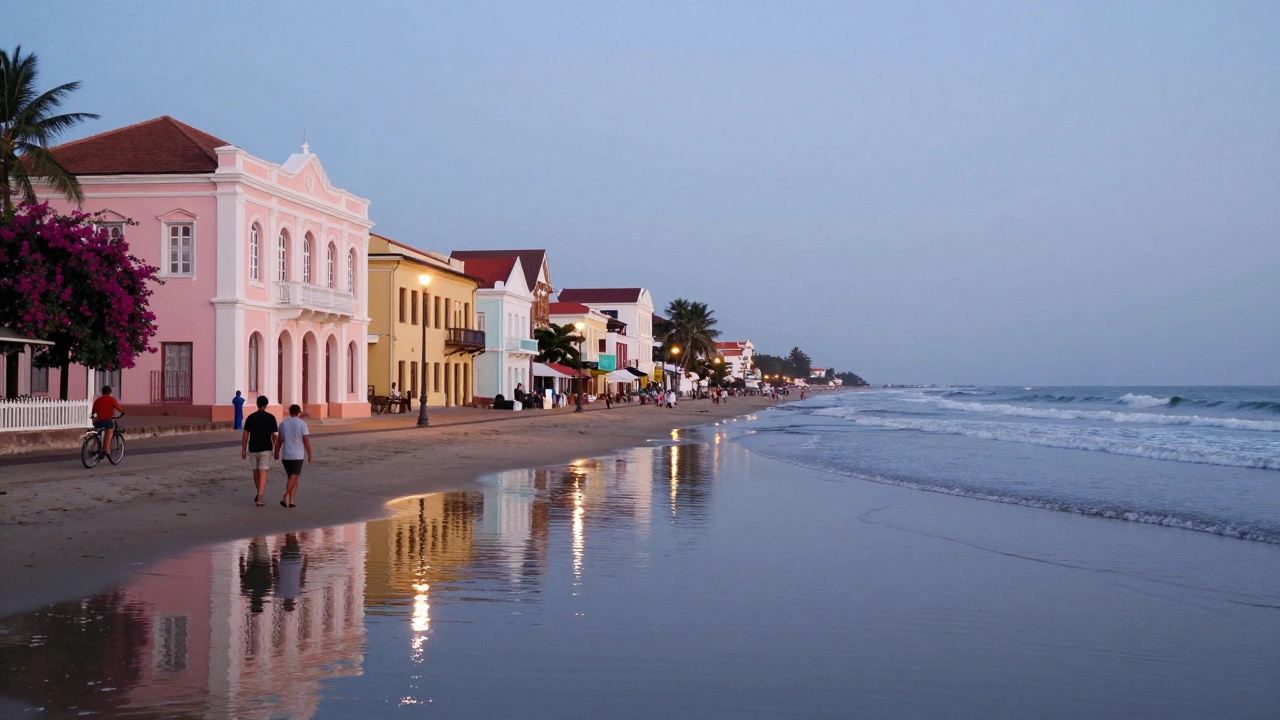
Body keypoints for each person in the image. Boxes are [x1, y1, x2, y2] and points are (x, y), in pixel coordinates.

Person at [241, 395, 278, 507]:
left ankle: (259, 492)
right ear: (266, 405)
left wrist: (243, 449)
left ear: (257, 404)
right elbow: (274, 435)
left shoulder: (251, 417)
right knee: (263, 473)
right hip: (266, 448)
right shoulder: (271, 417)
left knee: (255, 473)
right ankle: (260, 497)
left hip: (253, 448)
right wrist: (276, 449)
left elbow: (246, 433)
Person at [275, 404, 312, 508]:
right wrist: (309, 454)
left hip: (286, 455)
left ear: (290, 412)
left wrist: (277, 451)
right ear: (298, 412)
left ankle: (292, 501)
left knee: (293, 477)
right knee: (294, 476)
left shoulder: (283, 424)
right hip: (297, 455)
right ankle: (285, 495)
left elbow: (280, 440)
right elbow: (306, 440)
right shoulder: (302, 424)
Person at [90, 385, 125, 458]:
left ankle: (93, 449)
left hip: (97, 421)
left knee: (98, 432)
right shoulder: (111, 399)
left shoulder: (97, 400)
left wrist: (95, 416)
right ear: (110, 392)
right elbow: (119, 408)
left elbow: (93, 412)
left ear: (102, 392)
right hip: (107, 421)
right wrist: (123, 411)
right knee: (110, 430)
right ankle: (106, 449)